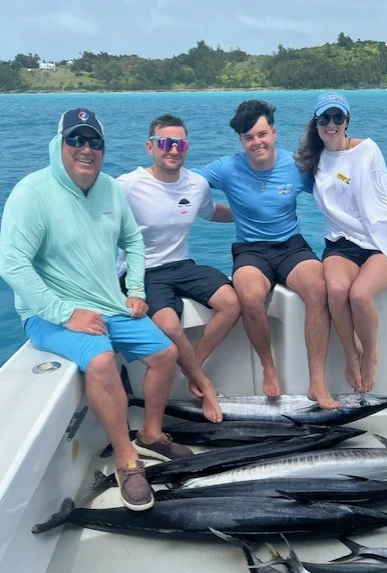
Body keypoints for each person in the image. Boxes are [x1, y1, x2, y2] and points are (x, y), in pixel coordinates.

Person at [0, 108, 193, 513]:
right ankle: (126, 459)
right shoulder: (32, 193)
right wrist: (63, 313)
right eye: (76, 139)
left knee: (165, 353)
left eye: (94, 142)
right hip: (50, 315)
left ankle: (151, 435)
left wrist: (135, 289)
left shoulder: (109, 188)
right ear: (60, 143)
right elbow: (12, 264)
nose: (86, 149)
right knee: (102, 362)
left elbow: (133, 241)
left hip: (109, 303)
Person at [194, 100, 339, 410]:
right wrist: (206, 212)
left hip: (291, 246)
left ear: (274, 132)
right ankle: (268, 366)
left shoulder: (295, 165)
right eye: (248, 137)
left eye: (261, 134)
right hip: (250, 250)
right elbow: (185, 182)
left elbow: (334, 188)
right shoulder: (226, 168)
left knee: (319, 289)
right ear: (241, 140)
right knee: (248, 295)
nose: (256, 142)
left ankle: (317, 381)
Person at [116, 114, 241, 423]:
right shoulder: (127, 186)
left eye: (180, 144)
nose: (173, 149)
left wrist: (255, 211)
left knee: (232, 303)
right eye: (165, 143)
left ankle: (192, 366)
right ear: (150, 147)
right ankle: (204, 383)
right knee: (170, 326)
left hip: (182, 264)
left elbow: (212, 213)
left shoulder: (197, 184)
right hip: (142, 270)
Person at [295, 92, 387, 393]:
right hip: (340, 243)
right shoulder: (314, 160)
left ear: (347, 121)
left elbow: (382, 203)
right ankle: (350, 354)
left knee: (359, 295)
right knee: (335, 291)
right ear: (316, 123)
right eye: (324, 118)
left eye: (338, 117)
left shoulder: (367, 150)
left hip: (376, 243)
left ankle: (370, 354)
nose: (331, 124)